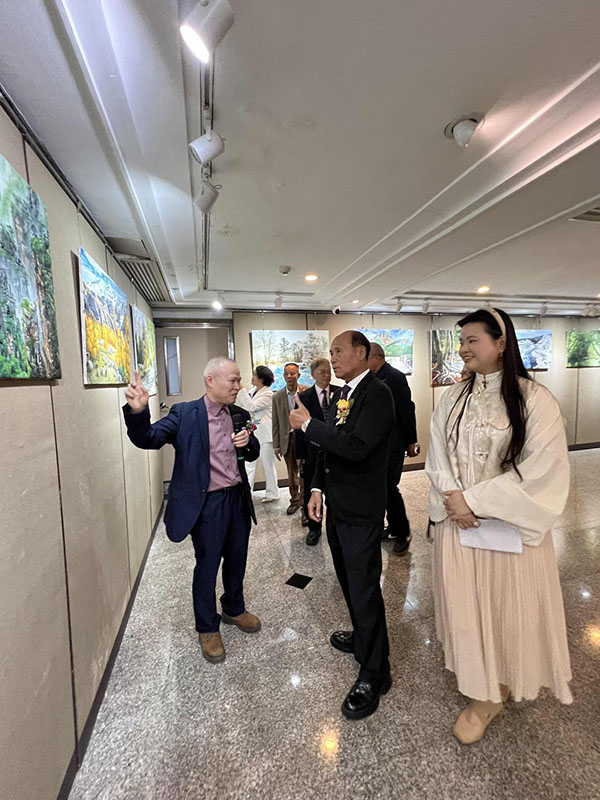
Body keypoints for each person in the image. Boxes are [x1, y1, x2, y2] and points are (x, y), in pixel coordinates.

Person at [425, 307, 572, 745]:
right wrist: (455, 499)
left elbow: (542, 469)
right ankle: (481, 688)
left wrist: (473, 501)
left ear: (501, 343)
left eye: (472, 340)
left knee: (507, 608)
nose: (463, 349)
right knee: (467, 608)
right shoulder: (452, 398)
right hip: (459, 528)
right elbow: (438, 454)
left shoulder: (535, 400)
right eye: (461, 341)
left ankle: (500, 682)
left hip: (509, 529)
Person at [122, 357, 262, 665]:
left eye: (239, 380)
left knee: (237, 558)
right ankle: (207, 627)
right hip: (208, 503)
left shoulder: (239, 414)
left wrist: (248, 442)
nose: (238, 386)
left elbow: (252, 453)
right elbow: (148, 438)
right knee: (207, 564)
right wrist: (137, 411)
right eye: (233, 381)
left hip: (237, 499)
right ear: (211, 380)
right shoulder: (185, 414)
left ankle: (233, 608)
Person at [290, 331, 395, 720]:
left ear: (361, 352)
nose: (332, 358)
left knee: (364, 588)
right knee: (350, 582)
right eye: (330, 352)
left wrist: (308, 426)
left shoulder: (377, 394)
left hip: (363, 509)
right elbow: (329, 448)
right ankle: (364, 639)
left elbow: (357, 447)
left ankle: (375, 673)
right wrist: (316, 488)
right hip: (338, 505)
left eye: (338, 351)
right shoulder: (342, 394)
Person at [367, 342, 420, 555]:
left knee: (389, 487)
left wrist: (411, 441)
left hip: (394, 443)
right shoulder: (374, 378)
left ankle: (403, 532)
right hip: (379, 445)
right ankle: (394, 526)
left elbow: (407, 410)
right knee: (382, 487)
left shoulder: (395, 377)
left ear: (375, 357)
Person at [294, 358, 334, 546]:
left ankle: (335, 525)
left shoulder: (340, 393)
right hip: (312, 452)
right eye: (322, 372)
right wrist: (299, 455)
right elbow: (297, 428)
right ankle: (314, 528)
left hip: (335, 451)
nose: (327, 375)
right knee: (312, 488)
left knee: (334, 491)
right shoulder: (304, 397)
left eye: (329, 371)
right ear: (313, 375)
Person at [236, 365, 280, 503]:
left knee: (268, 465)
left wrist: (241, 389)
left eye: (255, 375)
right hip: (252, 432)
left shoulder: (268, 394)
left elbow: (251, 407)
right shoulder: (253, 391)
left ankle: (273, 493)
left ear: (262, 378)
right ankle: (246, 493)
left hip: (265, 434)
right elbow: (244, 406)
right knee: (249, 464)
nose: (252, 377)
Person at [272, 362, 309, 516]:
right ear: (283, 376)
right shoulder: (277, 396)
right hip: (287, 439)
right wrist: (276, 445)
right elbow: (275, 422)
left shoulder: (307, 392)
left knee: (305, 472)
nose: (289, 376)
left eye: (292, 373)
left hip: (304, 437)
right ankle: (294, 500)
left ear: (298, 375)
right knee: (291, 472)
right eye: (286, 373)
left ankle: (305, 503)